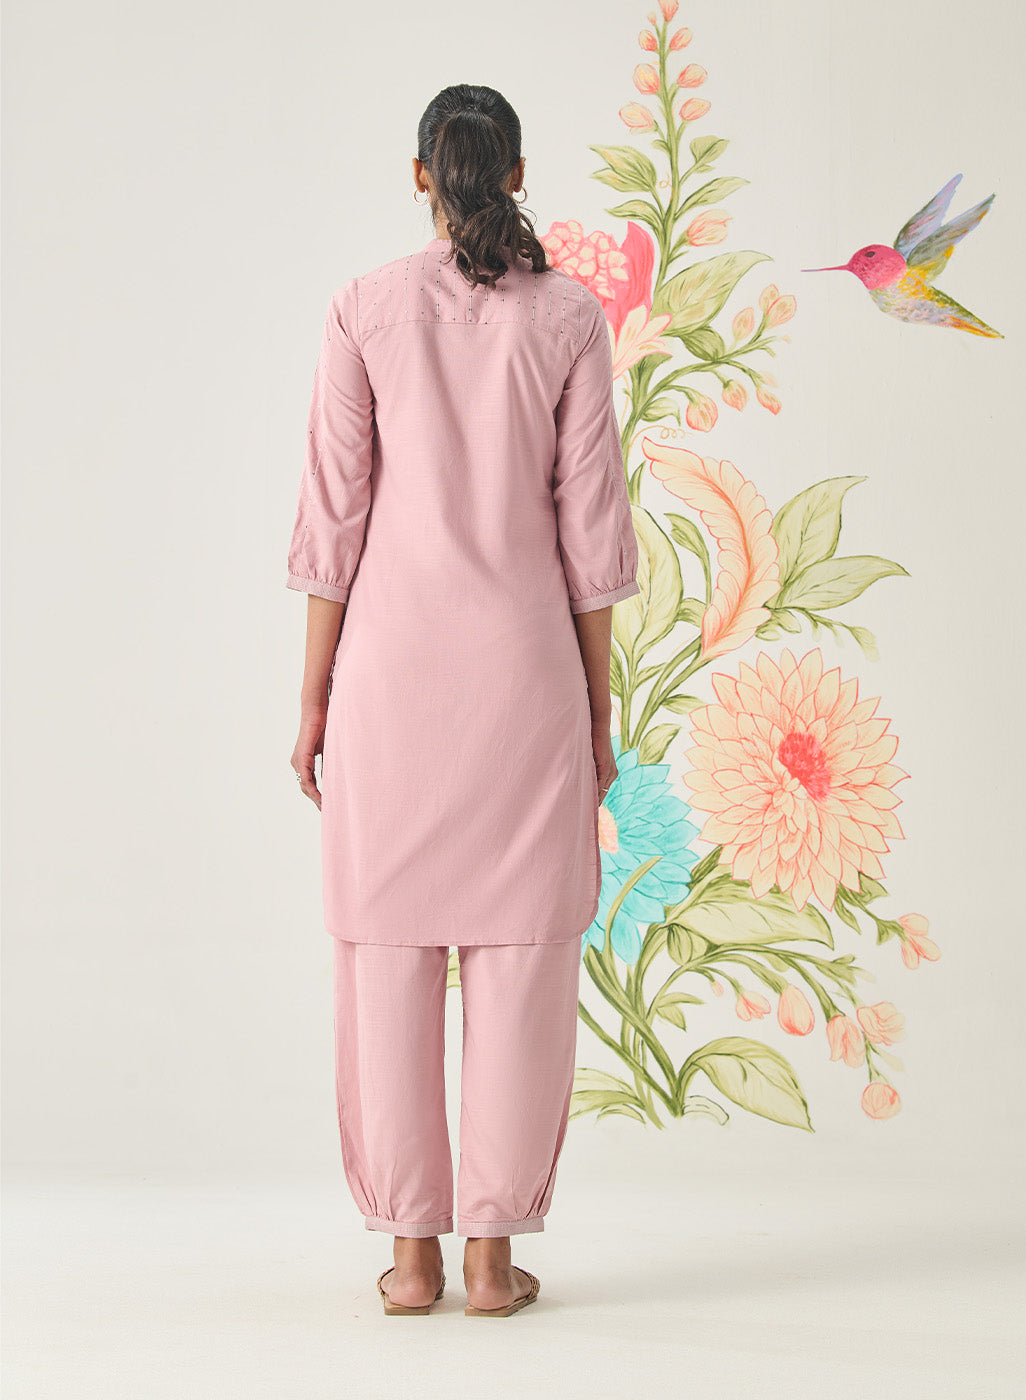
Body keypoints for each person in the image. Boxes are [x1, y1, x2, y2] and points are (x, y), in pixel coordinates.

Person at [286, 83, 641, 1317]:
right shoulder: (571, 318)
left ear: (422, 176)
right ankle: (494, 1259)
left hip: (389, 681)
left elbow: (334, 521)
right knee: (522, 958)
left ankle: (412, 1258)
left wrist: (313, 697)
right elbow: (592, 540)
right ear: (519, 172)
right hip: (525, 679)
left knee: (386, 953)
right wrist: (596, 712)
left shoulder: (363, 307)